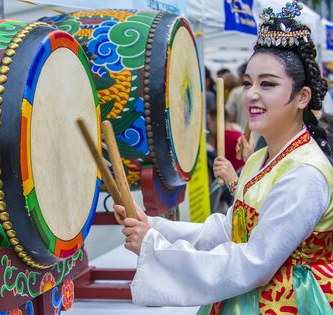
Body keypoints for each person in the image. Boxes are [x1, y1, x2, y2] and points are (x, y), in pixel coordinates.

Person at [113, 2, 333, 313]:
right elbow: (226, 230)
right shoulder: (261, 158)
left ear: (302, 97)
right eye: (248, 83)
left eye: (268, 84)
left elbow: (255, 261)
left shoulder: (305, 172)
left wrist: (155, 247)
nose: (252, 94)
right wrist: (154, 226)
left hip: (290, 301)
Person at [226, 63, 248, 130]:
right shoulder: (266, 91)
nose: (238, 79)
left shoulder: (236, 92)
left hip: (240, 135)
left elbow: (229, 116)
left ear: (244, 76)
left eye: (239, 76)